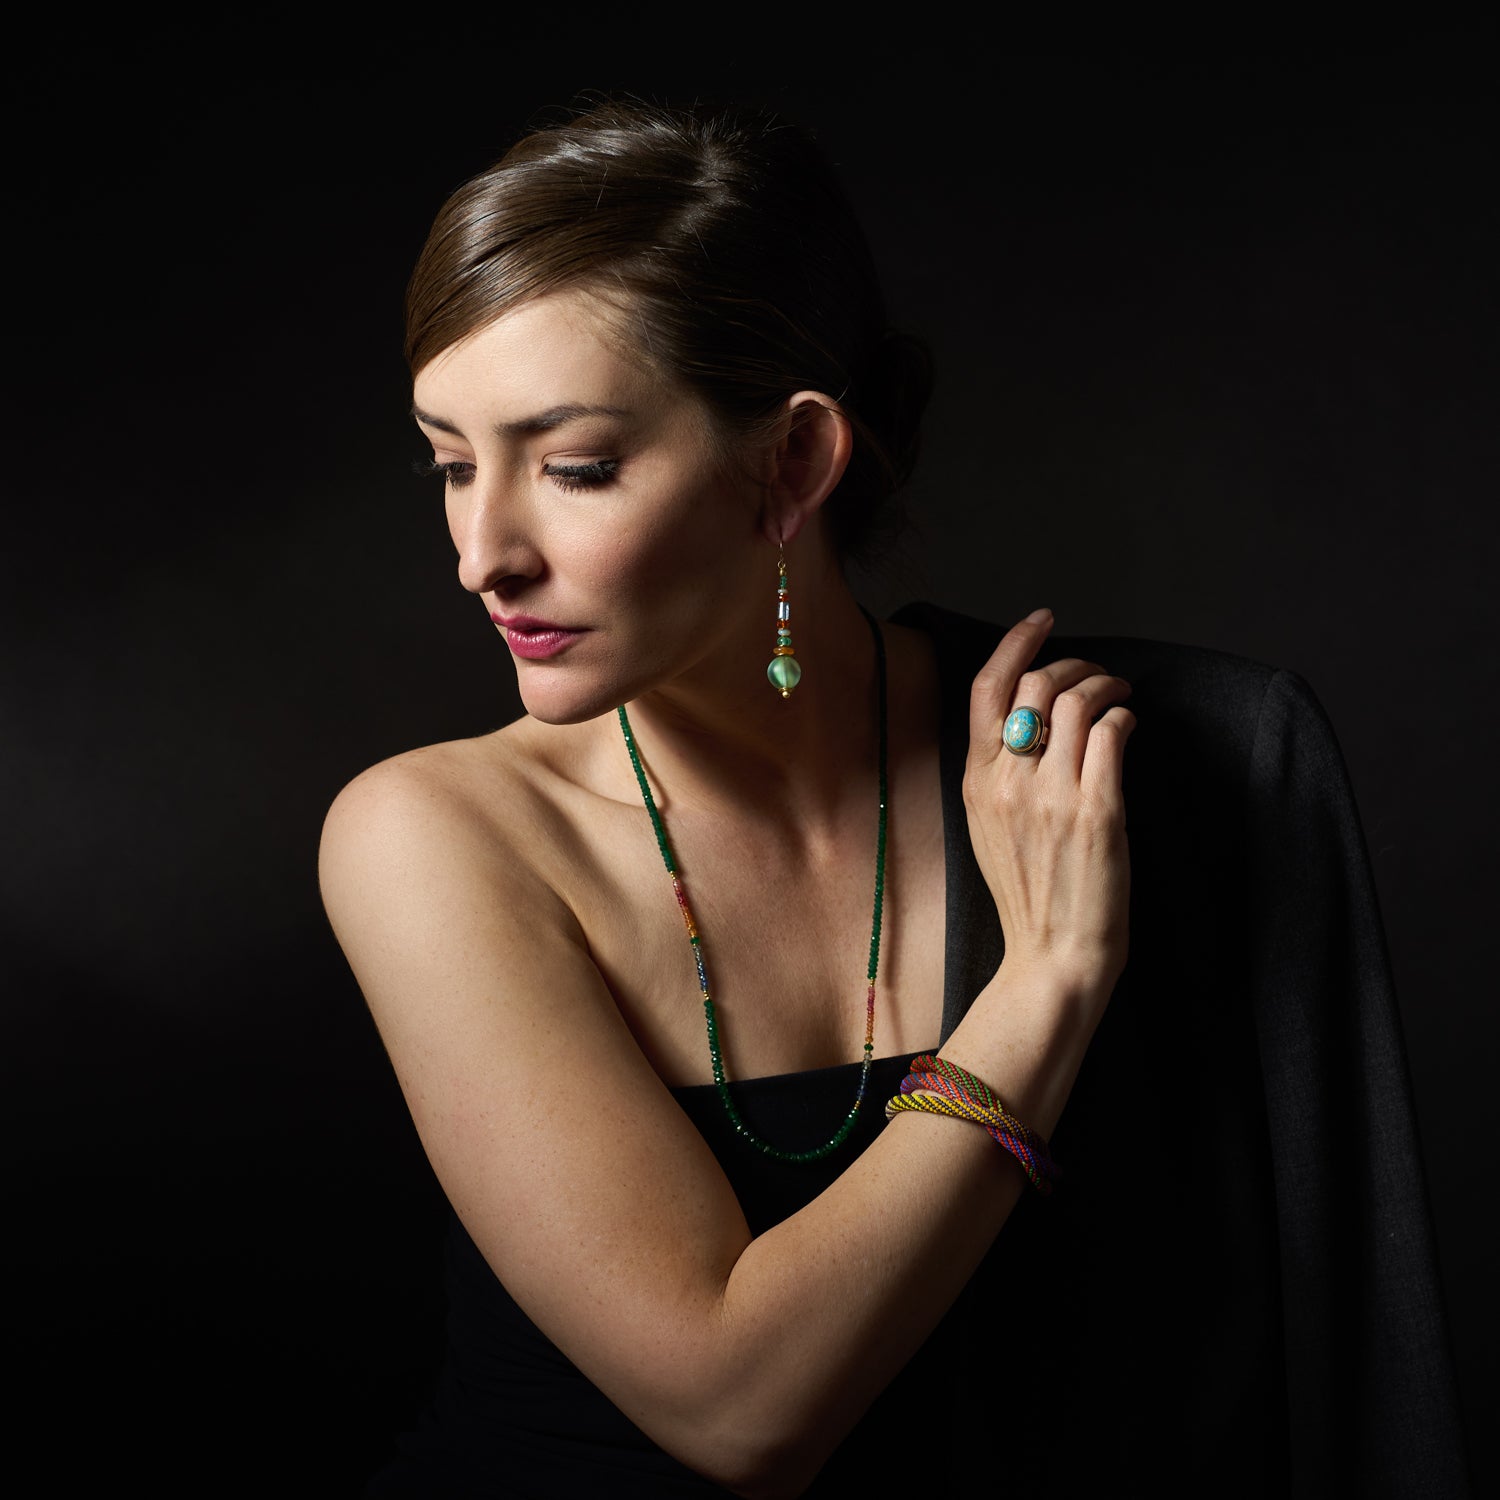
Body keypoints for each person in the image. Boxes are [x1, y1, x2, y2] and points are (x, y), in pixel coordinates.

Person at [319, 96, 1469, 1498]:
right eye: (452, 464)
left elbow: (1355, 1379)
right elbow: (741, 1412)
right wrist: (1048, 976)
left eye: (574, 468)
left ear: (792, 461)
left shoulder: (1193, 765)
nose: (481, 554)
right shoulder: (433, 836)